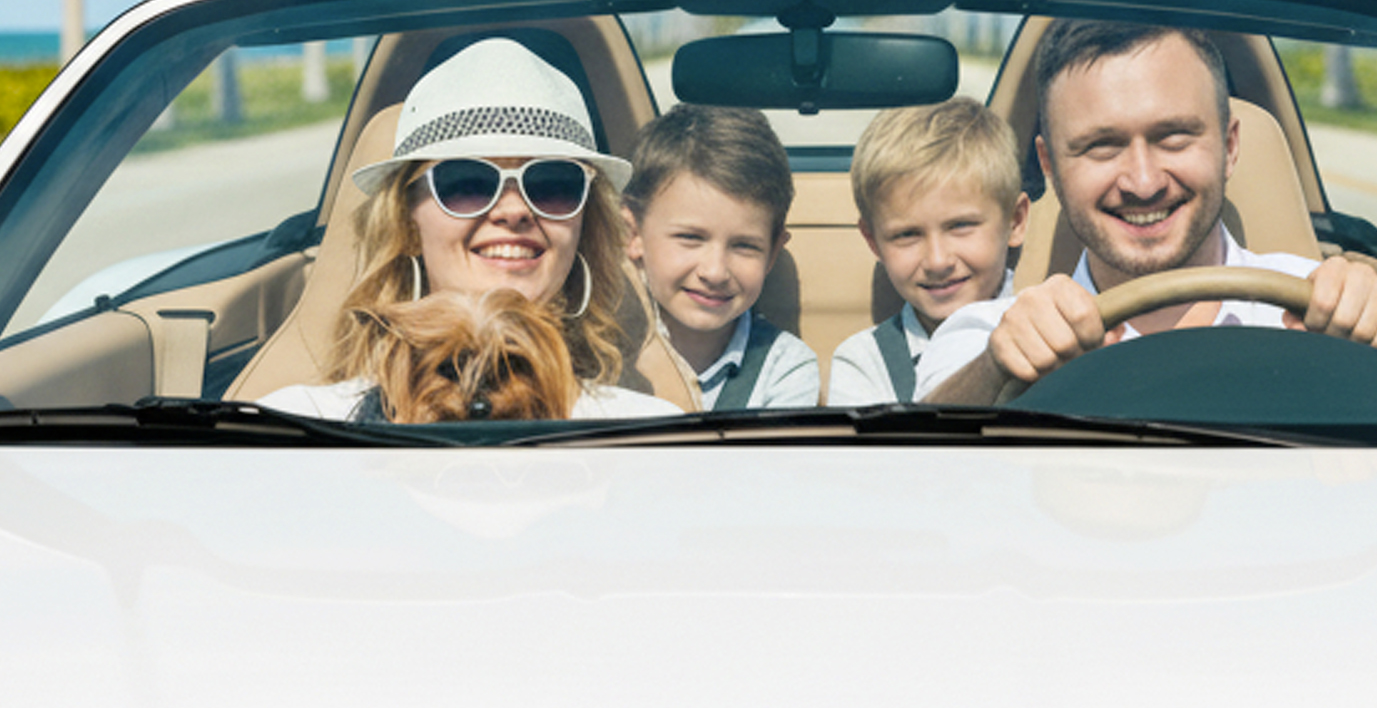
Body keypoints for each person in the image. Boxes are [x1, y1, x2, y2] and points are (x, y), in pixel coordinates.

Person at [917, 20, 1377, 406]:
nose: (1144, 181)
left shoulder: (1323, 306)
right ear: (1049, 166)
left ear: (1230, 146)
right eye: (1101, 147)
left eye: (1173, 138)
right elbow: (916, 459)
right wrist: (997, 370)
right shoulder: (993, 333)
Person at [261, 36, 674, 423]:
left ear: (585, 224)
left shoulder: (647, 430)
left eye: (552, 185)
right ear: (405, 218)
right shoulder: (300, 425)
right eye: (466, 184)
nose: (513, 211)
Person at [827, 98, 1031, 406]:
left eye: (961, 226)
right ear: (873, 241)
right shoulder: (866, 363)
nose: (937, 261)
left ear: (1015, 221)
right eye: (907, 235)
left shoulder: (1050, 329)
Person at [623, 103, 821, 410]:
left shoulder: (784, 368)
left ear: (772, 254)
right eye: (690, 238)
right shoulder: (595, 355)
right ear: (632, 234)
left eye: (744, 246)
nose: (715, 272)